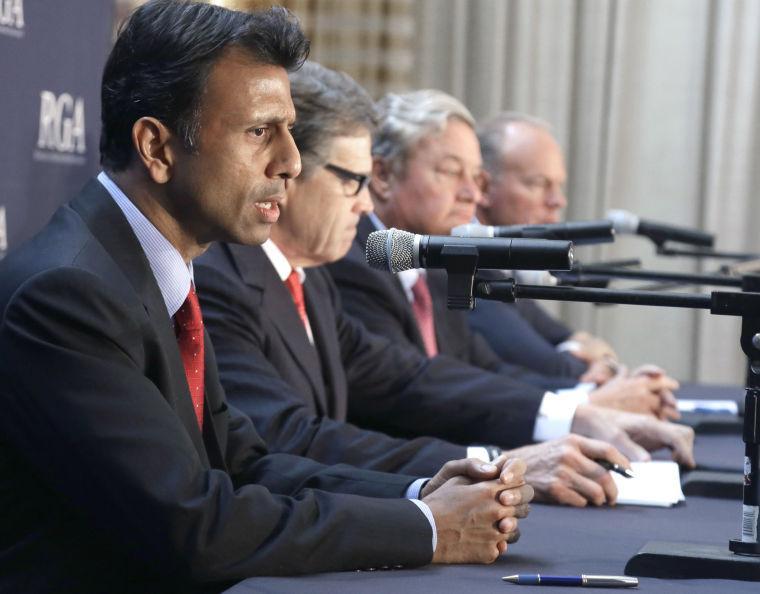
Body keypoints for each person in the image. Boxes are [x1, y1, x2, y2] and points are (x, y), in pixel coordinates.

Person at [0, 4, 532, 592]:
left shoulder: (151, 270)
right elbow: (194, 524)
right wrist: (427, 528)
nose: (291, 162)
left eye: (290, 130)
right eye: (260, 132)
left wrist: (421, 492)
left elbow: (249, 466)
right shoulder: (67, 295)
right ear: (157, 147)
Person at [195, 60, 632, 507]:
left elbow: (407, 377)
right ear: (286, 173)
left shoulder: (309, 279)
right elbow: (290, 438)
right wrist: (494, 463)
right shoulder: (225, 280)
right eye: (353, 182)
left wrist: (565, 417)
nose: (364, 203)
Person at [327, 89, 694, 470]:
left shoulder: (432, 265)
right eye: (451, 172)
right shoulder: (352, 261)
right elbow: (411, 391)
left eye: (476, 178)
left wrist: (585, 403)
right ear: (383, 175)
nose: (471, 194)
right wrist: (581, 409)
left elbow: (484, 369)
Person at [474, 112, 670, 389]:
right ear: (483, 186)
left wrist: (595, 354)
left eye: (558, 185)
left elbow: (562, 335)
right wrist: (591, 359)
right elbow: (551, 365)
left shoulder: (504, 261)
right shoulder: (465, 264)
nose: (557, 201)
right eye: (538, 183)